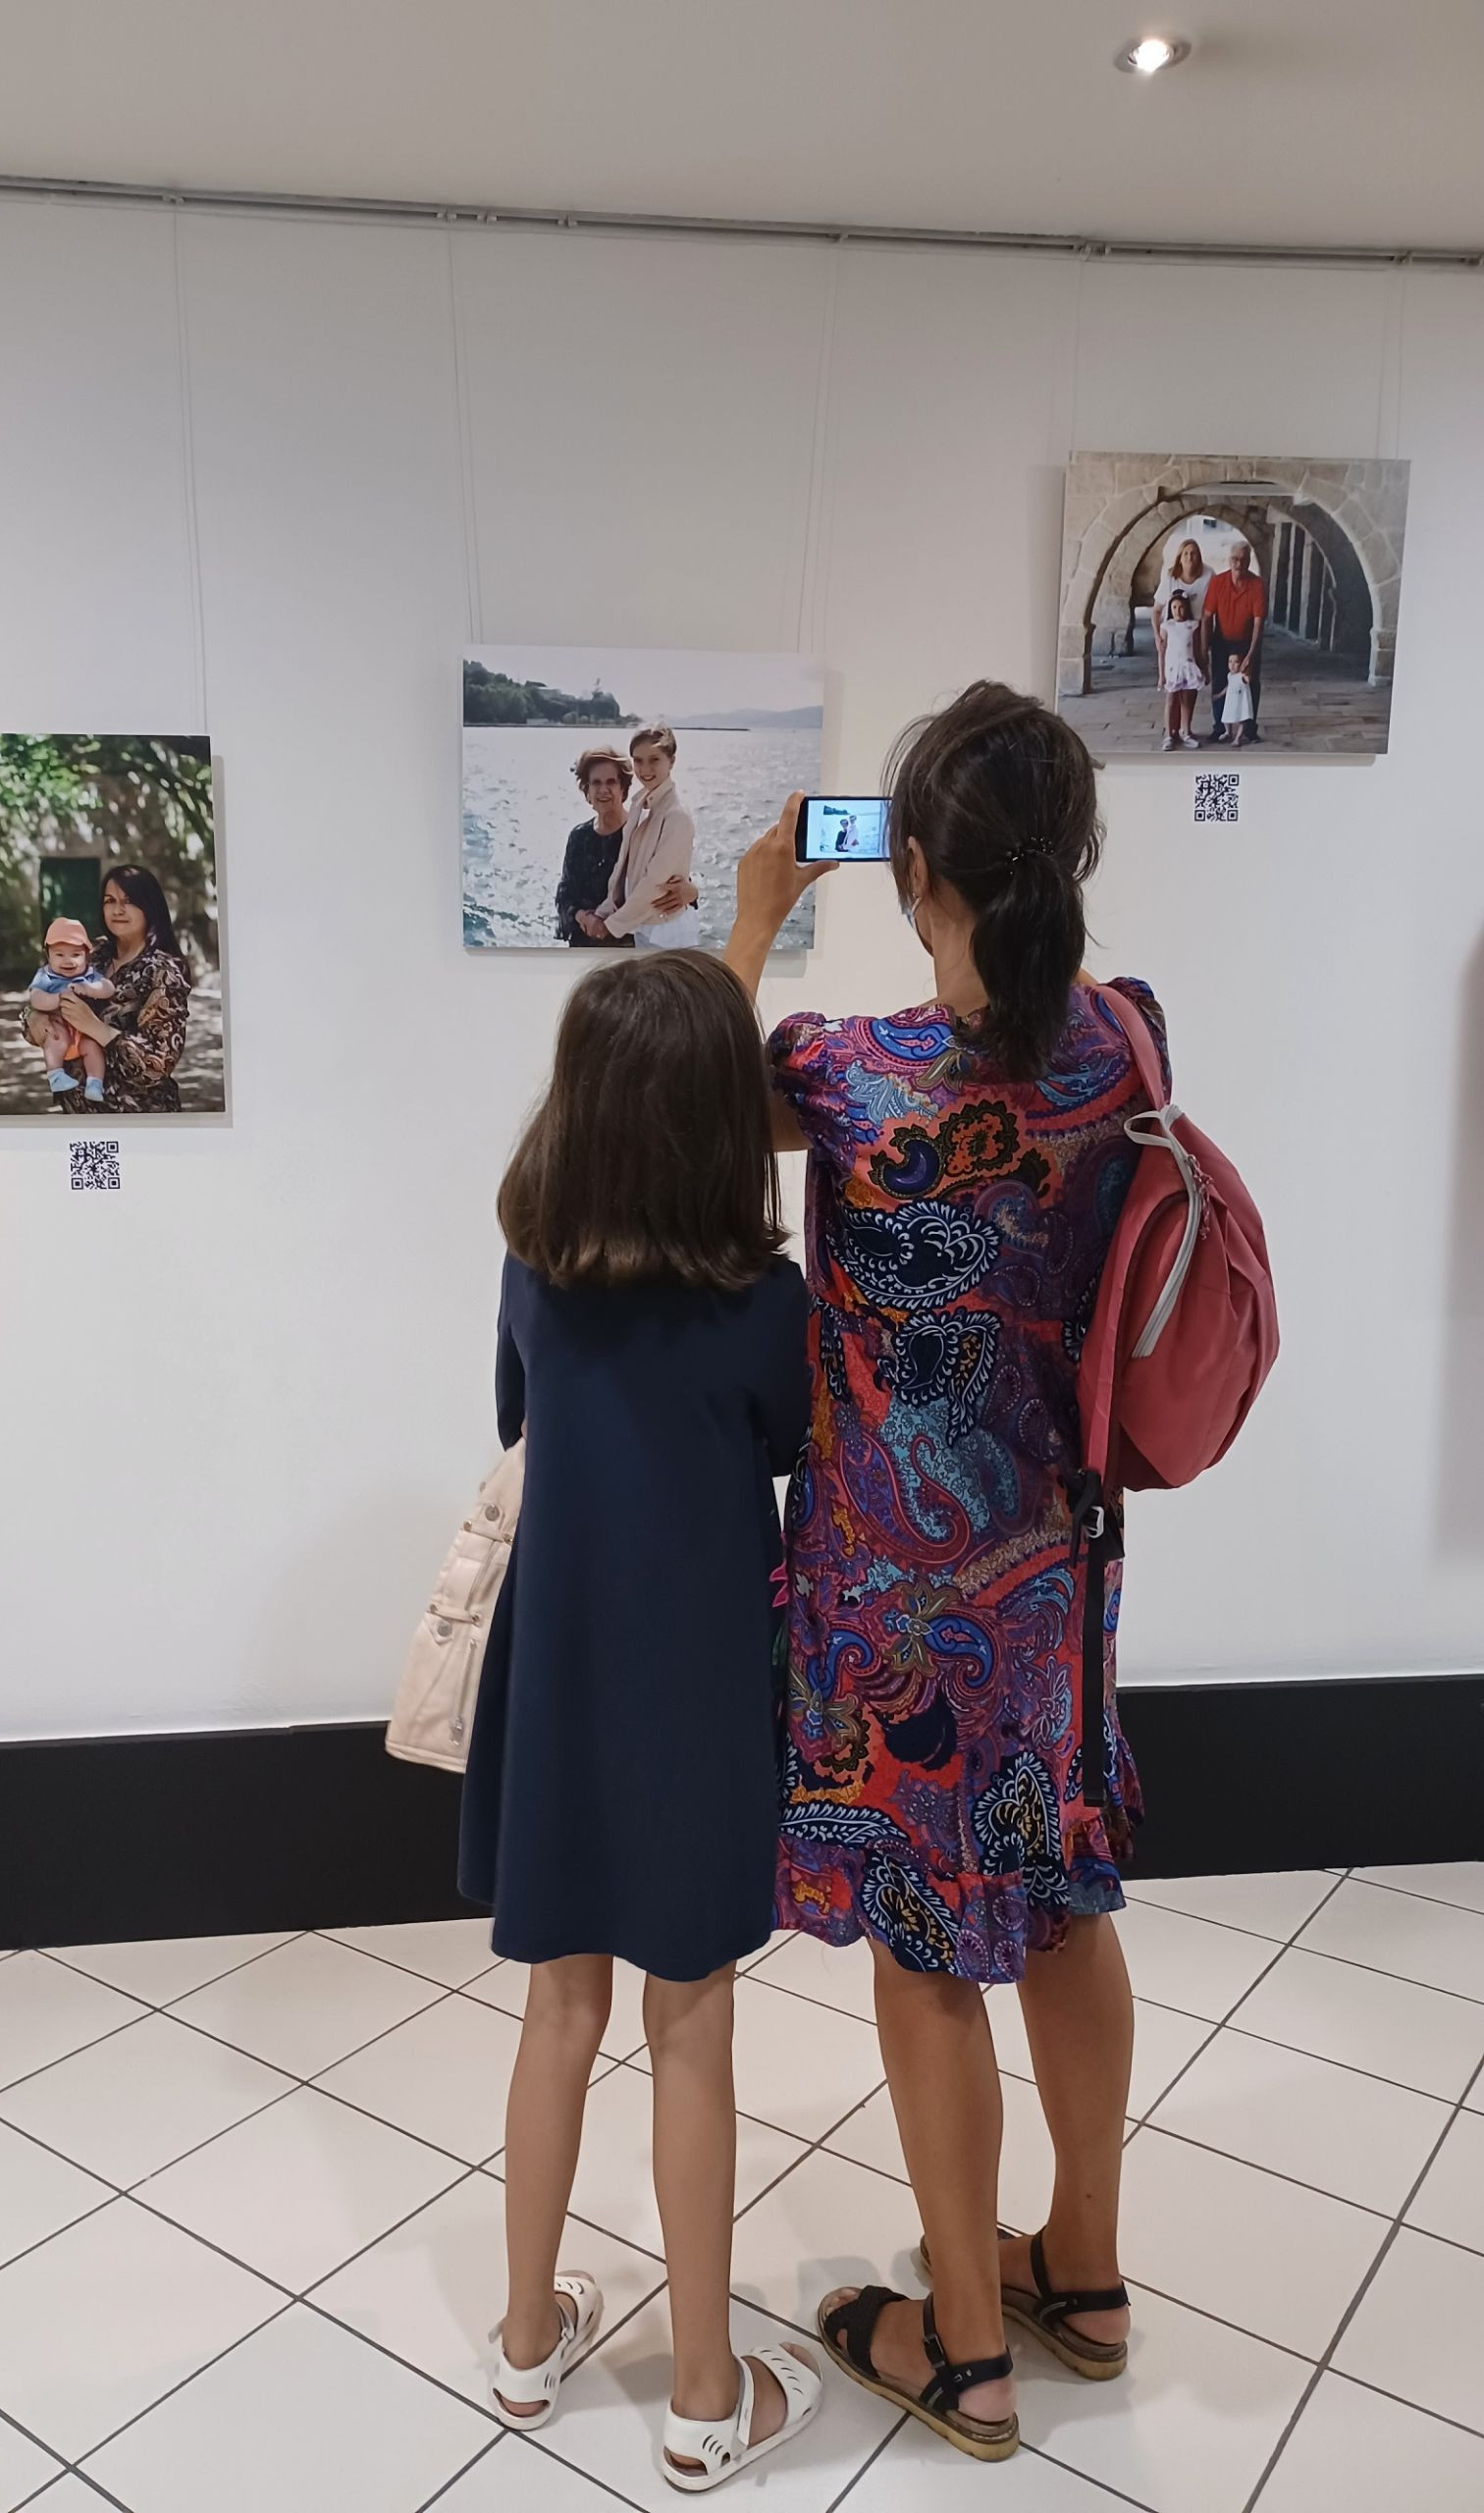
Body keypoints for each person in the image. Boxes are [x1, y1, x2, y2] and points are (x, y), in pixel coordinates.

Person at [724, 682, 1163, 2463]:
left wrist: (751, 918)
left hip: (895, 1603)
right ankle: (1089, 2271)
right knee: (1059, 1904)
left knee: (927, 1950)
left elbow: (691, 1111)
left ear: (909, 871)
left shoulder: (848, 1074)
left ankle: (965, 2349)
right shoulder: (1126, 1044)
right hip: (1052, 1588)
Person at [460, 949, 822, 2490]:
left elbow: (510, 1417)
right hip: (695, 1693)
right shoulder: (764, 1306)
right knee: (693, 2024)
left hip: (557, 1679)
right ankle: (699, 2392)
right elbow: (800, 1449)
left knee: (557, 2010)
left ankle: (531, 2343)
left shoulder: (532, 1273)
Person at [66, 865, 195, 1114]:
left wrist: (94, 1027)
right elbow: (47, 993)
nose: (118, 910)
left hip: (138, 1119)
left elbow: (157, 1063)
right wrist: (34, 1020)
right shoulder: (94, 956)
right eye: (110, 900)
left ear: (150, 907)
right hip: (80, 1118)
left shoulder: (162, 971)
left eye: (129, 901)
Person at [555, 748, 697, 946]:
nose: (603, 789)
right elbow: (565, 894)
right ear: (587, 790)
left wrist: (693, 892)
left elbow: (670, 880)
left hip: (632, 947)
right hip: (584, 944)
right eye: (596, 783)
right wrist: (583, 918)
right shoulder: (578, 837)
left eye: (611, 782)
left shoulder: (641, 830)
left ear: (624, 789)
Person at [23, 917, 118, 1104]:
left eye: (76, 955)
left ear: (87, 955)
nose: (68, 961)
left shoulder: (88, 975)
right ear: (48, 955)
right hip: (59, 1027)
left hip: (84, 1033)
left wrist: (91, 989)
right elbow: (36, 998)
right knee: (56, 1038)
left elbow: (109, 988)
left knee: (92, 1047)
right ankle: (56, 1076)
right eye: (59, 955)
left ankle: (94, 1084)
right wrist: (56, 1000)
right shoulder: (46, 976)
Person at [1202, 539, 1266, 744]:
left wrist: (1251, 654)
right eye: (1234, 559)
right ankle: (1220, 727)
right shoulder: (1218, 582)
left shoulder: (1257, 585)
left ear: (1248, 561)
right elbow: (1206, 617)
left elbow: (1258, 623)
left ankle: (1249, 729)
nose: (1238, 563)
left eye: (1243, 559)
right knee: (1220, 681)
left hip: (1247, 640)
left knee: (1250, 683)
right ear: (1229, 560)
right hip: (1221, 640)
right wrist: (1204, 649)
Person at [1151, 534, 1212, 691]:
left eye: (1194, 554)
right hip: (1172, 633)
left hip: (1195, 632)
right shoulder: (1171, 577)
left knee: (1192, 686)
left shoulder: (1208, 575)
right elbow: (1157, 609)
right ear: (1179, 557)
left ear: (1199, 557)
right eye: (1185, 553)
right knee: (1171, 693)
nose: (1189, 557)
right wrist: (1157, 635)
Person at [1158, 592, 1206, 751]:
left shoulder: (1193, 626)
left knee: (1186, 702)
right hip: (1172, 669)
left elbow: (1198, 650)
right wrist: (1161, 675)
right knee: (1171, 700)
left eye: (1181, 607)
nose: (1178, 611)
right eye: (1174, 607)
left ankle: (1185, 731)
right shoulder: (1167, 626)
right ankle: (1168, 735)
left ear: (1186, 608)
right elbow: (1162, 652)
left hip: (1188, 668)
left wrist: (1203, 668)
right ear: (1170, 609)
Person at [1222, 649, 1256, 745]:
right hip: (1231, 701)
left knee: (1242, 719)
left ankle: (1238, 738)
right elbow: (1229, 686)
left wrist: (1246, 670)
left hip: (1241, 702)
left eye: (1236, 662)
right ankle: (1228, 732)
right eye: (1230, 662)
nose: (1232, 665)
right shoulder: (1229, 675)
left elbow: (1247, 680)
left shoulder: (1242, 676)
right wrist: (1220, 694)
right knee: (1226, 717)